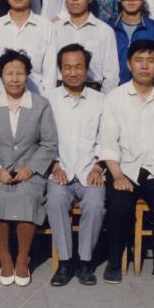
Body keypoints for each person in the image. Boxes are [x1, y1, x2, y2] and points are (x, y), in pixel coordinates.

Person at [99, 39, 154, 285]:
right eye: (139, 60)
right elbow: (108, 143)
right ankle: (114, 263)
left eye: (150, 61)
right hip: (122, 168)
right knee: (119, 205)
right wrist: (117, 176)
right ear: (129, 64)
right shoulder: (115, 98)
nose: (144, 66)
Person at [0, 50, 58, 286]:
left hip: (29, 171)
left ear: (27, 75)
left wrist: (30, 168)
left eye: (20, 73)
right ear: (0, 76)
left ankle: (22, 258)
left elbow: (49, 143)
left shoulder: (40, 105)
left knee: (27, 195)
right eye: (8, 73)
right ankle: (6, 257)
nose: (14, 79)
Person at [44, 44, 106, 287]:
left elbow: (107, 138)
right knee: (55, 200)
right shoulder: (48, 99)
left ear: (86, 69)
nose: (73, 72)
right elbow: (43, 138)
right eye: (67, 67)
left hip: (91, 170)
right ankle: (65, 261)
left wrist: (98, 167)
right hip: (60, 169)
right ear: (60, 70)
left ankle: (85, 262)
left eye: (78, 67)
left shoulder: (101, 101)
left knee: (95, 203)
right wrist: (54, 166)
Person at [53, 0, 120, 94]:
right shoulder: (54, 29)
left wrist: (103, 101)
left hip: (94, 93)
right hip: (59, 94)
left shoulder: (105, 31)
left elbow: (111, 76)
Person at [0, 0, 58, 95]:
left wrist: (46, 102)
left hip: (36, 98)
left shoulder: (46, 27)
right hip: (2, 99)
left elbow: (50, 73)